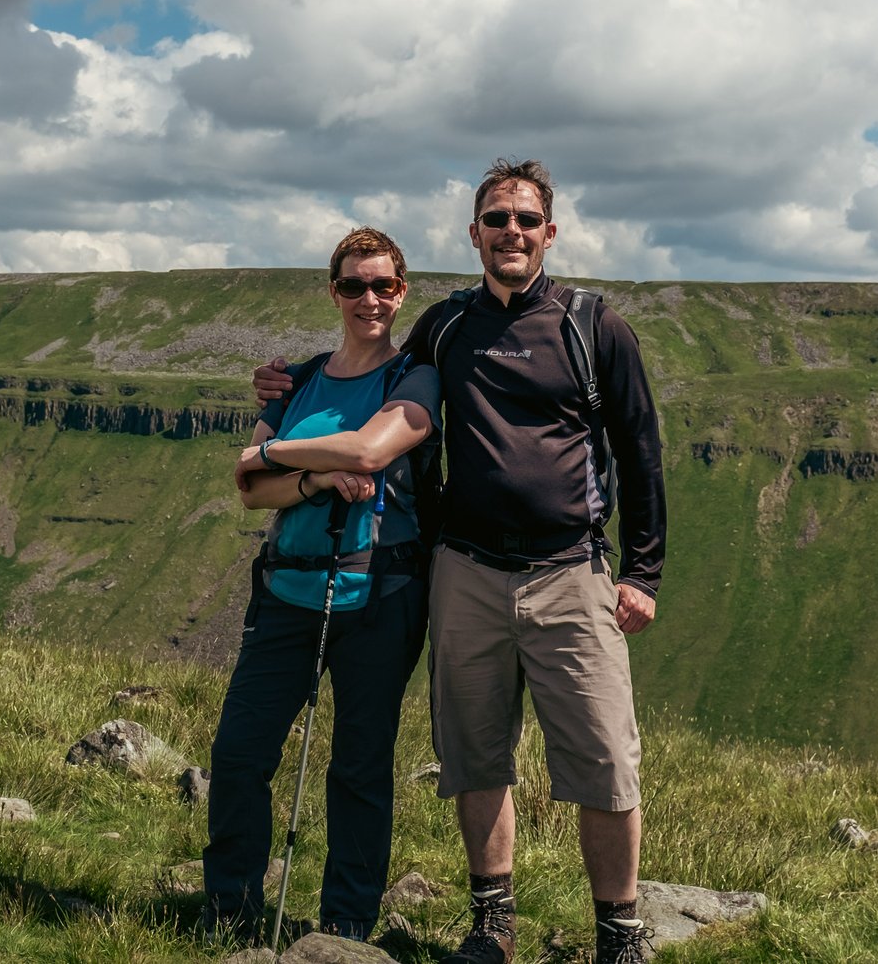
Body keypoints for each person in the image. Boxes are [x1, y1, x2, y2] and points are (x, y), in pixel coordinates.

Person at [256, 158, 666, 964]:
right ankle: (492, 924)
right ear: (473, 233)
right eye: (495, 218)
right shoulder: (445, 326)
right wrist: (289, 381)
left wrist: (641, 572)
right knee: (476, 754)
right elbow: (378, 381)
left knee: (605, 756)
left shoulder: (593, 325)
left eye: (524, 219)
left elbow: (641, 448)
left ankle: (619, 931)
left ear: (550, 232)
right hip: (467, 573)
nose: (509, 231)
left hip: (570, 571)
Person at [205, 226, 441, 944]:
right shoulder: (300, 377)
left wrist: (273, 449)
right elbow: (251, 493)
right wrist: (311, 477)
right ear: (333, 291)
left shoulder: (415, 377)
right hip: (286, 591)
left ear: (402, 292)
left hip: (382, 593)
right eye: (353, 284)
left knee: (360, 764)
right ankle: (231, 913)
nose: (368, 298)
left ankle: (345, 926)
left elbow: (371, 447)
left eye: (383, 285)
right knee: (240, 752)